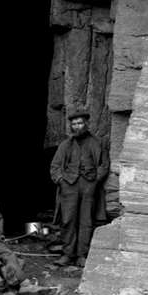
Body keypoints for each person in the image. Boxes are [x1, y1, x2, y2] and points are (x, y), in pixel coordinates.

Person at [50, 109, 109, 267]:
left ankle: (82, 254)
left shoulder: (97, 142)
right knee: (68, 220)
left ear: (86, 124)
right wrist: (61, 180)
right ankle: (68, 254)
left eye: (80, 123)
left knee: (86, 221)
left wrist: (95, 181)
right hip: (69, 186)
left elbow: (104, 165)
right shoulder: (65, 145)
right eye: (74, 124)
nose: (77, 126)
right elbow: (55, 167)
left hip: (89, 186)